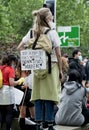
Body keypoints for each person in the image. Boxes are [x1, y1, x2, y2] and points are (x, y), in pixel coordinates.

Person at [17, 7, 63, 130]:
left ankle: (38, 123)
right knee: (50, 95)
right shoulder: (52, 32)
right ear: (48, 18)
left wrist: (29, 60)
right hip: (51, 67)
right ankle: (48, 124)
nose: (52, 17)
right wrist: (61, 70)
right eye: (51, 16)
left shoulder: (31, 32)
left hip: (36, 68)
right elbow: (58, 54)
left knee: (37, 95)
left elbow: (20, 47)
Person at [0, 54, 23, 130]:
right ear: (12, 61)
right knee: (9, 113)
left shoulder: (0, 68)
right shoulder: (10, 69)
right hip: (7, 92)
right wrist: (19, 81)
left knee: (2, 113)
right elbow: (11, 83)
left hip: (0, 91)